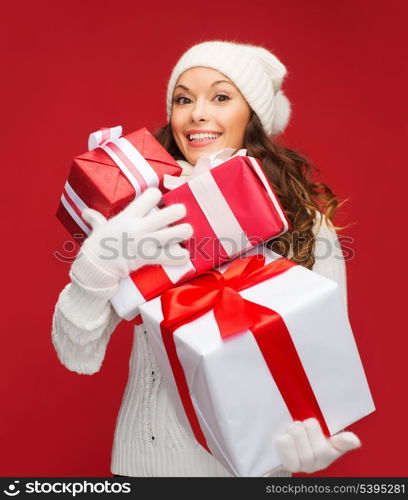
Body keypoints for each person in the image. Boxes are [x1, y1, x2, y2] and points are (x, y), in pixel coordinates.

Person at [52, 40, 361, 477]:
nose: (197, 112)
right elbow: (75, 350)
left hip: (254, 469)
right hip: (147, 464)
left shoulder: (304, 223)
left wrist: (318, 435)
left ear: (252, 116)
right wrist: (99, 262)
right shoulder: (142, 212)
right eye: (183, 98)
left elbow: (325, 355)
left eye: (220, 96)